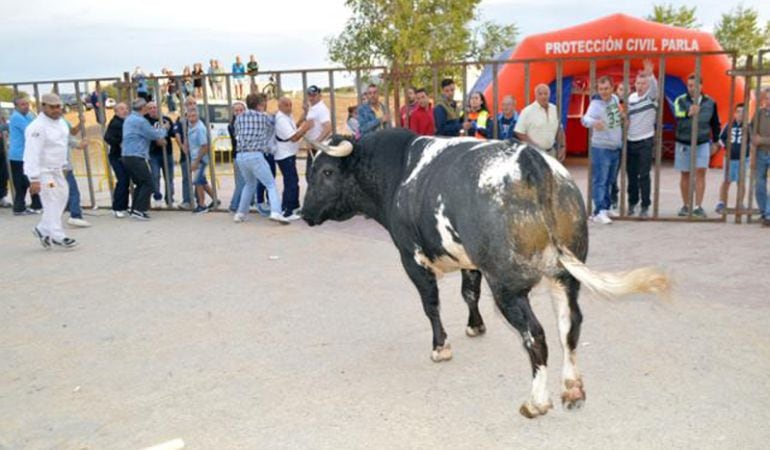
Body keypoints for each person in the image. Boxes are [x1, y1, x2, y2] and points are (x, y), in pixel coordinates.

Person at [24, 93, 77, 248]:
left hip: (58, 169)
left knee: (62, 197)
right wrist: (34, 178)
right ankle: (57, 235)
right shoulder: (36, 127)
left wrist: (65, 165)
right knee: (52, 199)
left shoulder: (61, 123)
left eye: (58, 106)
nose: (56, 110)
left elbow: (62, 145)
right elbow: (32, 153)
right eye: (52, 107)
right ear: (43, 106)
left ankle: (42, 229)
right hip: (43, 171)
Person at [233, 93, 288, 224]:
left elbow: (236, 132)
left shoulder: (239, 118)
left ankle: (240, 213)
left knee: (249, 184)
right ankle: (276, 212)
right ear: (259, 105)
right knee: (270, 184)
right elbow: (274, 122)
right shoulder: (264, 117)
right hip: (255, 154)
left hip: (240, 155)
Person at [673, 73, 721, 218]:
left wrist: (716, 141)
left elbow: (715, 123)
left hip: (702, 142)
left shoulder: (710, 102)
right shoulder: (680, 100)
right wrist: (689, 112)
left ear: (701, 86)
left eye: (695, 85)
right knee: (685, 173)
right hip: (683, 142)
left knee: (701, 172)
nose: (692, 88)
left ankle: (698, 206)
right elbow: (677, 113)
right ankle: (686, 205)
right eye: (689, 85)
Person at [581, 76, 624, 225]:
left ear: (612, 88)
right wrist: (594, 122)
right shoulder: (595, 104)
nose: (603, 92)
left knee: (610, 180)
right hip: (601, 147)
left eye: (606, 88)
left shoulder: (615, 100)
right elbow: (584, 119)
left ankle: (605, 207)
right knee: (600, 179)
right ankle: (598, 211)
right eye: (601, 89)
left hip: (614, 146)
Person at [121, 98, 170, 220]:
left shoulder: (129, 119)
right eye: (147, 108)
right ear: (143, 109)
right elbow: (155, 135)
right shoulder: (140, 121)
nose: (149, 110)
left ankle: (135, 210)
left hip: (127, 155)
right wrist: (165, 128)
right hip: (136, 156)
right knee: (148, 183)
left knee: (140, 183)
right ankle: (139, 210)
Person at [626, 59, 658, 217]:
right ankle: (632, 202)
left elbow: (654, 87)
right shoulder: (630, 98)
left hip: (645, 140)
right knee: (631, 174)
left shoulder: (651, 97)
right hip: (630, 140)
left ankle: (645, 205)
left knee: (644, 174)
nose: (640, 86)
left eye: (643, 83)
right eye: (638, 83)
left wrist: (650, 74)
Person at [275, 96, 312, 220]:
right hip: (284, 155)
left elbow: (294, 127)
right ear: (279, 106)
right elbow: (294, 137)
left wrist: (304, 115)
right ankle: (288, 210)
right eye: (286, 105)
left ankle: (290, 207)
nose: (289, 107)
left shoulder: (286, 116)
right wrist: (306, 128)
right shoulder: (281, 119)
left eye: (290, 104)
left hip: (289, 153)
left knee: (291, 181)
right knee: (291, 182)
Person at [9, 96, 43, 215]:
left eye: (27, 104)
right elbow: (31, 130)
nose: (26, 106)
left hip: (27, 154)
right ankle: (20, 207)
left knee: (30, 180)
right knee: (22, 183)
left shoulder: (28, 115)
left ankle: (35, 205)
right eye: (23, 104)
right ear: (16, 106)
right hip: (18, 155)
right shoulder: (16, 117)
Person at [715, 103, 751, 215]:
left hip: (743, 159)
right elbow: (721, 139)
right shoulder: (729, 125)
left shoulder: (749, 127)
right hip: (730, 158)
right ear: (735, 113)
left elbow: (752, 141)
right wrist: (726, 146)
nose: (741, 114)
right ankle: (721, 202)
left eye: (743, 112)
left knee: (741, 182)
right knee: (727, 181)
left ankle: (739, 203)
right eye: (739, 112)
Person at [515, 84, 566, 160]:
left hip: (551, 152)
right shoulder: (527, 111)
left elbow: (559, 129)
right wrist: (534, 146)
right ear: (536, 95)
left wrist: (562, 147)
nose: (543, 96)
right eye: (540, 94)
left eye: (546, 94)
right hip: (533, 154)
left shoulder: (554, 109)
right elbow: (519, 132)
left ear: (549, 95)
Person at [145, 101, 176, 208]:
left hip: (167, 152)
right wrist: (157, 139)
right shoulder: (145, 121)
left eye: (155, 107)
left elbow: (173, 134)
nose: (153, 110)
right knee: (155, 176)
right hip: (153, 153)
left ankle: (170, 199)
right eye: (150, 108)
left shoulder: (167, 120)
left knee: (169, 177)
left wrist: (168, 130)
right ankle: (157, 197)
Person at [185, 108, 215, 214]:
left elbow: (204, 146)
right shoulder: (191, 127)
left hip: (200, 159)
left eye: (193, 116)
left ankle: (202, 205)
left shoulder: (199, 128)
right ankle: (215, 200)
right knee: (202, 182)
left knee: (198, 182)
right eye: (189, 116)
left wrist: (196, 161)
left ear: (197, 116)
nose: (191, 118)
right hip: (196, 158)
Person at [300, 85, 332, 183]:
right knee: (311, 176)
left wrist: (315, 142)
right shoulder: (313, 108)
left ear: (319, 95)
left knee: (313, 177)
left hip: (318, 148)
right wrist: (305, 111)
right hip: (313, 148)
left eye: (314, 95)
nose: (311, 98)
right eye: (309, 95)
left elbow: (328, 127)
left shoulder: (321, 109)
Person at [62, 120, 90, 228]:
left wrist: (80, 123)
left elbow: (72, 132)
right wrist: (81, 143)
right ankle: (75, 215)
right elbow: (72, 140)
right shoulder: (58, 128)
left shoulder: (60, 123)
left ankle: (67, 210)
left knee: (61, 191)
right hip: (63, 166)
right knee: (73, 191)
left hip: (58, 165)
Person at [104, 102, 130, 217]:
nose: (125, 111)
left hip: (123, 156)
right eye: (121, 109)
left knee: (126, 181)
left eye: (125, 108)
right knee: (123, 180)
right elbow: (107, 138)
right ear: (116, 111)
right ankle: (117, 207)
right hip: (117, 156)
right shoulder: (115, 123)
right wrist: (119, 142)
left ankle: (123, 206)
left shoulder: (125, 122)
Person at [173, 96, 199, 209]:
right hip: (187, 154)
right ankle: (187, 201)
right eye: (189, 103)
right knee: (186, 178)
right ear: (185, 106)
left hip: (198, 153)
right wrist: (182, 146)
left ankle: (200, 200)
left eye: (193, 103)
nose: (192, 105)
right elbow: (177, 133)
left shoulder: (200, 118)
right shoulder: (181, 119)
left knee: (199, 177)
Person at [752, 87, 770, 227]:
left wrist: (761, 140)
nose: (768, 101)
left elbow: (759, 138)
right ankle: (765, 212)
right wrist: (754, 138)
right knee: (759, 184)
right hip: (761, 153)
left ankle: (769, 214)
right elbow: (751, 129)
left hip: (764, 148)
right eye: (767, 98)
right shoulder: (759, 113)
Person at [228, 101, 249, 212]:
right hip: (238, 156)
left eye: (241, 110)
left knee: (246, 182)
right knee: (241, 182)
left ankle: (244, 203)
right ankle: (234, 205)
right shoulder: (233, 125)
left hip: (246, 156)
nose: (239, 112)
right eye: (237, 110)